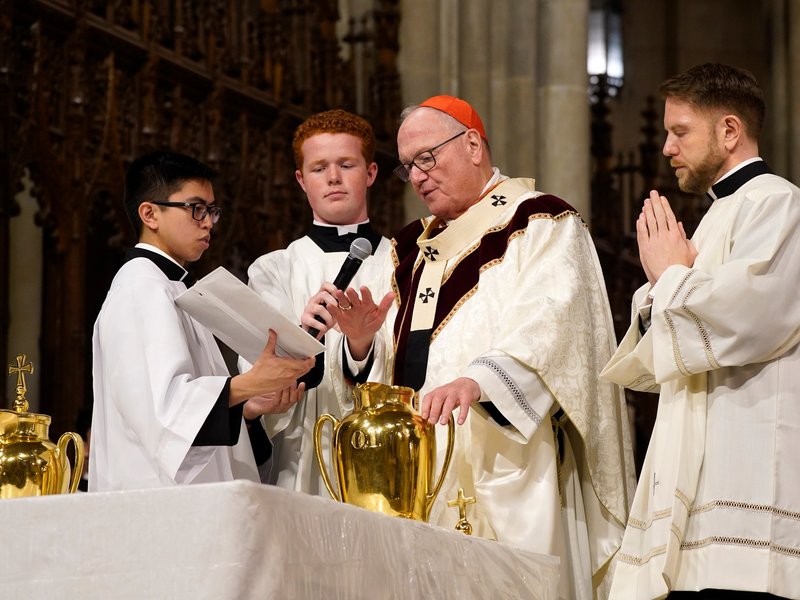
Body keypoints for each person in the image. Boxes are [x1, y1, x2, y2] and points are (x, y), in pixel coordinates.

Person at [329, 95, 636, 600]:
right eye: (408, 167)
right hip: (412, 471)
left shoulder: (540, 223)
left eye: (427, 158)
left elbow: (555, 326)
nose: (418, 176)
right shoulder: (404, 251)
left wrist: (480, 381)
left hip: (504, 459)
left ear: (472, 145)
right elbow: (388, 367)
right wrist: (361, 344)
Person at [602, 63, 800, 599]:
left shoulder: (776, 202)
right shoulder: (717, 215)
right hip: (699, 467)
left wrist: (668, 278)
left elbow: (752, 315)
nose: (668, 147)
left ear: (729, 130)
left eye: (680, 131)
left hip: (746, 474)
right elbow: (674, 320)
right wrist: (659, 287)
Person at [90, 150, 314, 491]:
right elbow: (165, 416)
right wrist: (249, 383)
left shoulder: (171, 286)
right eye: (196, 209)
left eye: (212, 210)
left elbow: (186, 414)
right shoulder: (141, 288)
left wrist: (247, 407)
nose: (208, 222)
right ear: (150, 214)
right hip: (155, 501)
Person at [242, 109, 391, 494]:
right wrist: (304, 336)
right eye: (319, 168)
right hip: (302, 458)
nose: (333, 177)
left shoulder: (404, 263)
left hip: (388, 457)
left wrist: (361, 346)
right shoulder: (274, 270)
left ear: (371, 173)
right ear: (301, 180)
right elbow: (258, 383)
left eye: (347, 164)